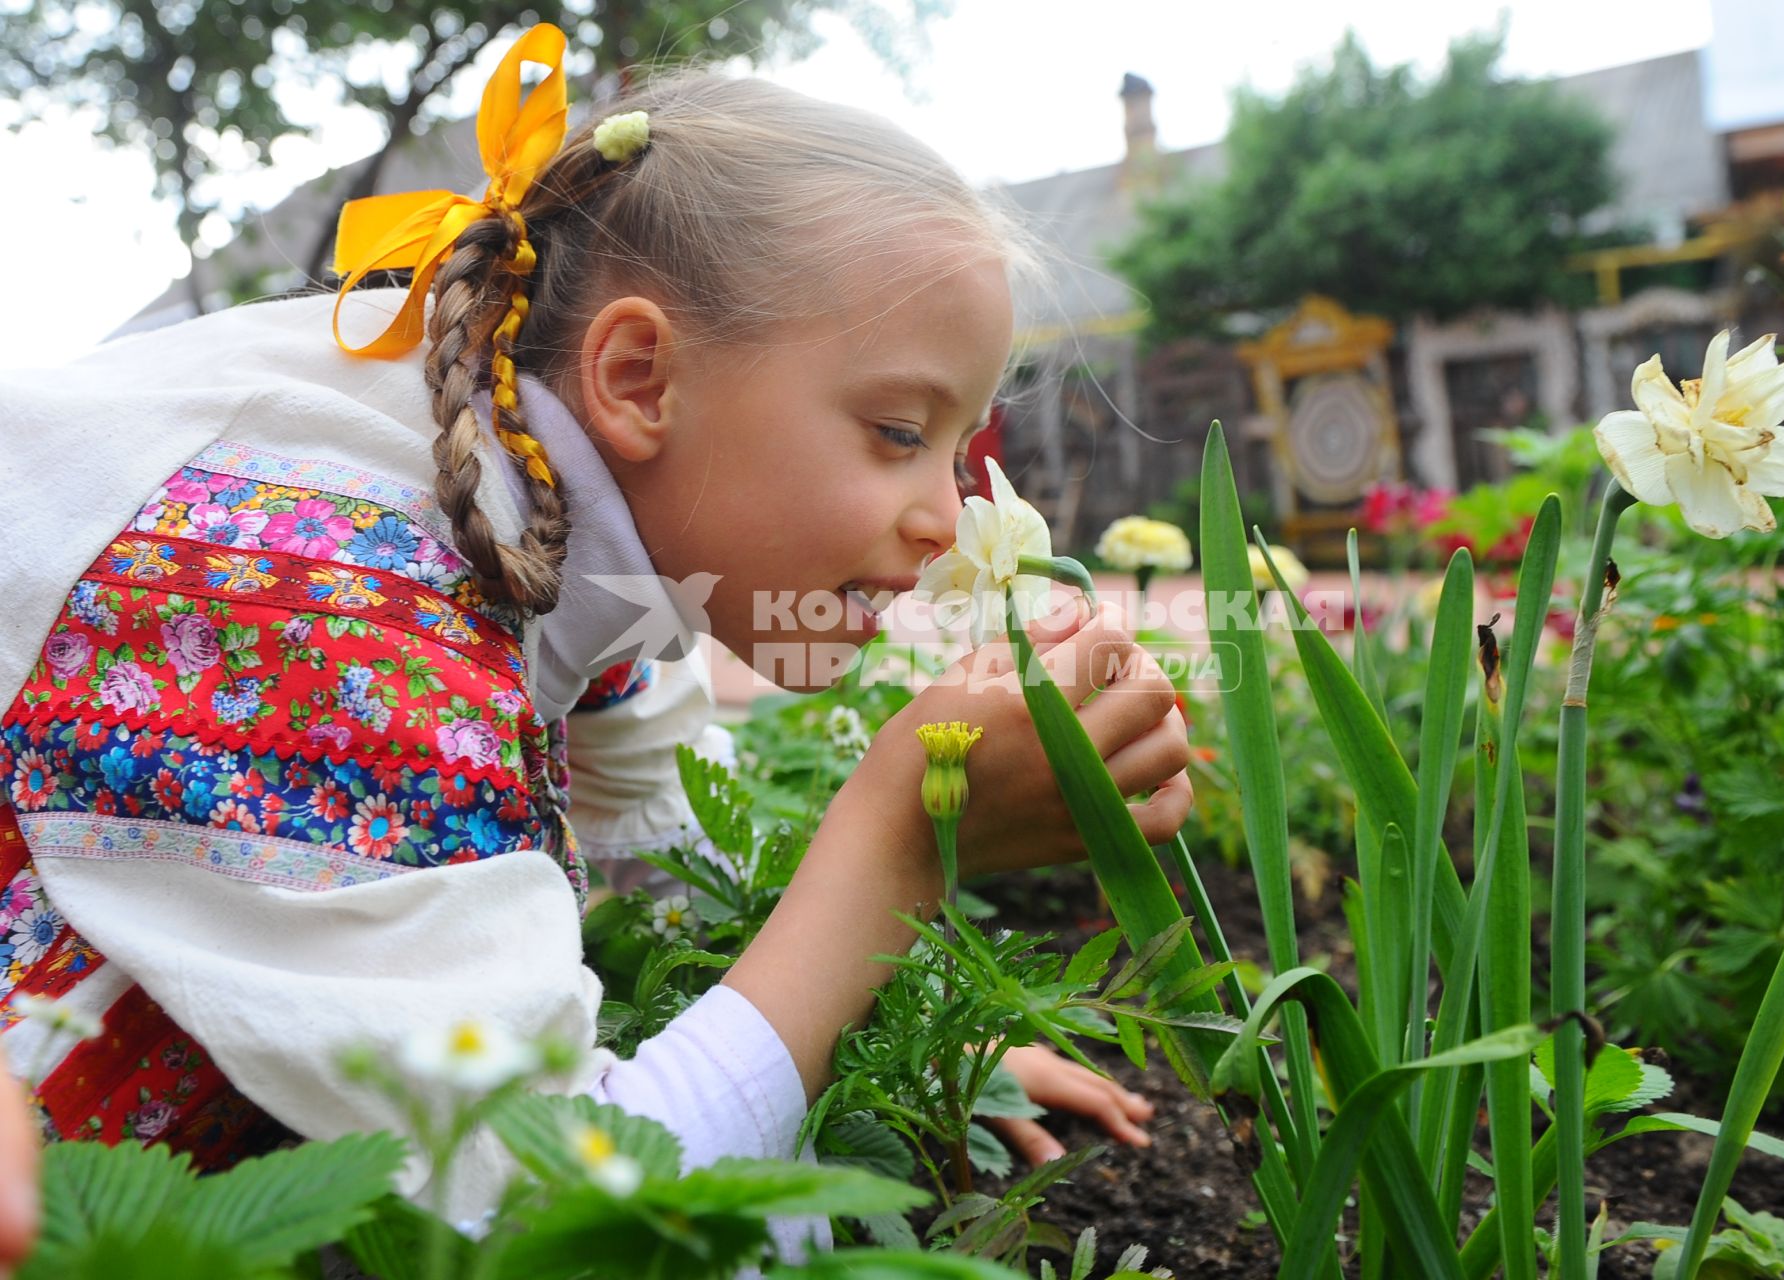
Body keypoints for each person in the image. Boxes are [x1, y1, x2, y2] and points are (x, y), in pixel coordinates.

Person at [0, 22, 1188, 1253]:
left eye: (958, 446)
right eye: (898, 430)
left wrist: (955, 1058)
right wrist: (900, 849)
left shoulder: (539, 518)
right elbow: (557, 1213)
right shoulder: (337, 634)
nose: (948, 519)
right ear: (636, 378)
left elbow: (674, 857)